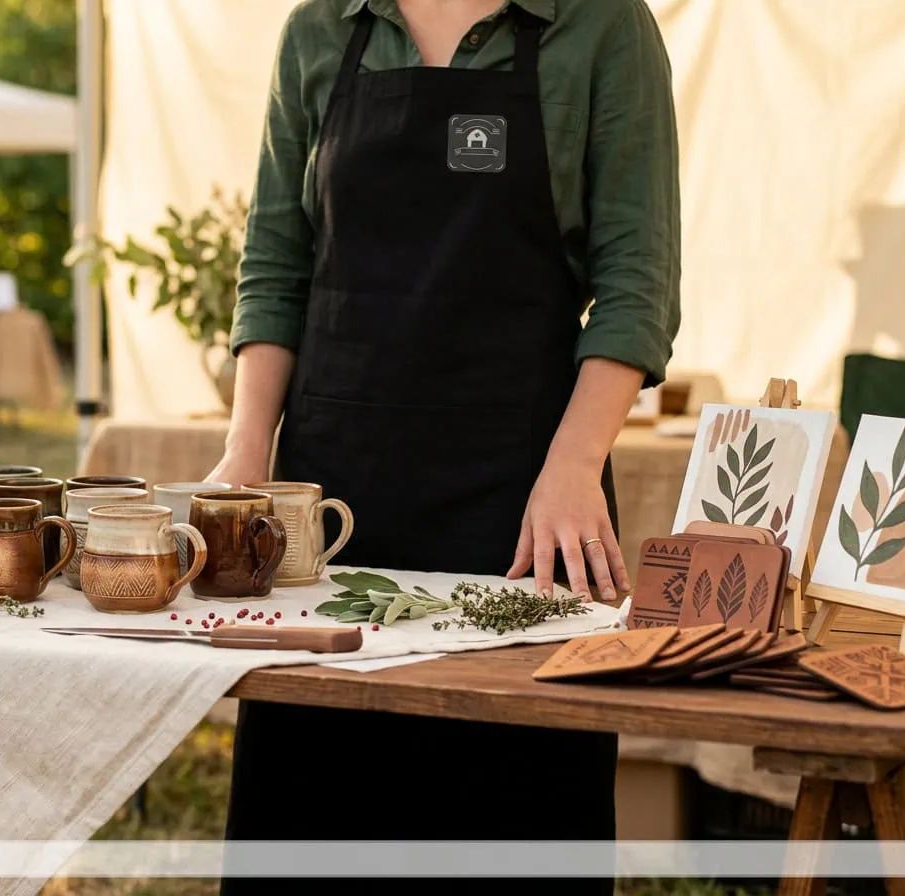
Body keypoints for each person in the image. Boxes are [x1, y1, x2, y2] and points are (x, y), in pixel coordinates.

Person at [208, 0, 680, 891]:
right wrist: (245, 455)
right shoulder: (324, 26)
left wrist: (575, 466)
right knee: (312, 827)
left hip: (521, 513)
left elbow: (637, 281)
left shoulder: (602, 27)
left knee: (513, 829)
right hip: (332, 518)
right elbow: (277, 258)